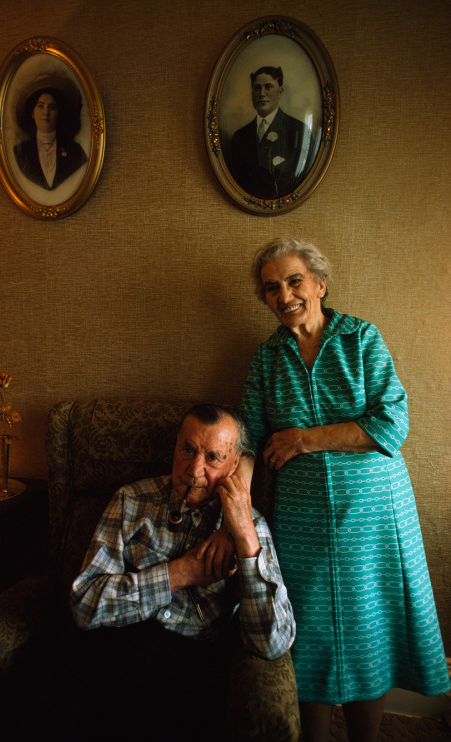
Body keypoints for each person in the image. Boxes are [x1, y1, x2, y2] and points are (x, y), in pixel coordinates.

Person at [238, 237, 450, 742]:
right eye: (272, 288)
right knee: (306, 633)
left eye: (294, 281)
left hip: (374, 517)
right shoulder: (266, 358)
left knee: (369, 629)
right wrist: (238, 506)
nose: (284, 295)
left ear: (319, 285)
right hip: (301, 523)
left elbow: (392, 424)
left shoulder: (361, 339)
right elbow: (246, 437)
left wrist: (304, 439)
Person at [71, 404, 296, 742]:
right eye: (187, 450)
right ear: (175, 446)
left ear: (235, 464)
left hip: (185, 669)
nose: (194, 470)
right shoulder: (130, 500)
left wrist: (246, 539)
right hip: (108, 649)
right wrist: (182, 573)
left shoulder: (249, 527)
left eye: (214, 458)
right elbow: (85, 605)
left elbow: (272, 642)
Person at [228, 66, 314, 200]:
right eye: (257, 88)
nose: (262, 93)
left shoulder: (298, 131)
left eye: (268, 87)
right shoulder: (239, 137)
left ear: (280, 91)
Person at [14, 73, 87, 191]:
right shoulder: (20, 153)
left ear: (59, 113)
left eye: (52, 107)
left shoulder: (75, 152)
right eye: (40, 106)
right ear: (32, 112)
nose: (46, 112)